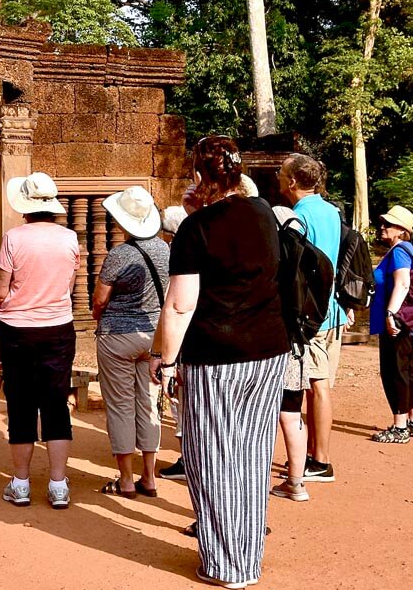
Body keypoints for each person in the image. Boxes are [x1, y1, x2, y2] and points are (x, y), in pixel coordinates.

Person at [149, 136, 288, 589]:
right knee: (250, 453)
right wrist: (198, 215)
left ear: (198, 175)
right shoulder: (263, 213)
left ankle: (226, 564)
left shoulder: (196, 230)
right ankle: (247, 557)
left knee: (211, 456)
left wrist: (165, 360)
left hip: (218, 355)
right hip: (268, 350)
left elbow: (179, 306)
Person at [0, 172, 80, 510]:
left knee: (21, 406)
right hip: (57, 326)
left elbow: (0, 288)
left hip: (18, 329)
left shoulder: (14, 238)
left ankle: (22, 482)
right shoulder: (70, 238)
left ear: (25, 204)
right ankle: (58, 484)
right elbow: (68, 285)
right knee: (56, 403)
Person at [91, 185, 169, 499]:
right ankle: (148, 476)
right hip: (154, 334)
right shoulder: (165, 250)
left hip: (117, 335)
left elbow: (99, 299)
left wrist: (100, 313)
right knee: (149, 405)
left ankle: (125, 479)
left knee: (121, 407)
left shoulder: (119, 254)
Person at [277, 153, 346, 483]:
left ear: (292, 182)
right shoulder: (330, 211)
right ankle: (314, 454)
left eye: (280, 173)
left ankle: (320, 460)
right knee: (319, 384)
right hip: (332, 309)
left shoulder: (298, 216)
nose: (278, 177)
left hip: (313, 314)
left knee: (317, 386)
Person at [369, 205, 413, 444]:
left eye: (388, 224)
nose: (383, 227)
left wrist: (391, 314)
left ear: (401, 230)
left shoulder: (400, 252)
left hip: (397, 322)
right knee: (407, 370)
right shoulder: (405, 250)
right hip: (408, 322)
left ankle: (400, 426)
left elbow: (402, 283)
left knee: (394, 372)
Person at [269, 205, 311, 503]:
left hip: (270, 347)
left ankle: (253, 486)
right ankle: (297, 482)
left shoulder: (272, 260)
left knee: (261, 420)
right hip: (298, 346)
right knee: (292, 416)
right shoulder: (311, 260)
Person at [156, 205, 187, 482]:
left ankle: (188, 460)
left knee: (179, 403)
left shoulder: (179, 254)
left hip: (182, 340)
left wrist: (165, 359)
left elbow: (174, 306)